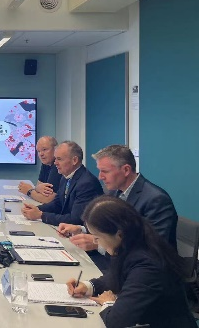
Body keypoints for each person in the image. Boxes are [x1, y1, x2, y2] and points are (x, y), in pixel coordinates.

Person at [66, 196, 195, 328]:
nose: (95, 242)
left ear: (119, 234)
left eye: (97, 237)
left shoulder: (147, 264)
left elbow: (117, 321)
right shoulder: (132, 244)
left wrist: (108, 303)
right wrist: (89, 286)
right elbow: (117, 276)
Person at [59, 145, 178, 253]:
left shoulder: (156, 199)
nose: (100, 177)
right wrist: (82, 230)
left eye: (105, 171)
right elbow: (109, 228)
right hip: (117, 260)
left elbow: (152, 247)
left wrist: (98, 244)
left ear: (126, 170)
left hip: (144, 266)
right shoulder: (113, 191)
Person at [21, 141, 103, 226]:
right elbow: (58, 204)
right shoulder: (66, 177)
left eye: (59, 159)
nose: (55, 163)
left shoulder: (86, 183)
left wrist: (41, 215)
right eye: (55, 159)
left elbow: (76, 220)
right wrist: (36, 209)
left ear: (74, 160)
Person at [18, 136, 62, 204]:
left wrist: (29, 191)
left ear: (55, 149)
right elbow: (39, 185)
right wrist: (37, 188)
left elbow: (48, 199)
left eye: (44, 149)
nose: (41, 154)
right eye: (38, 151)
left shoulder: (57, 166)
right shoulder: (46, 163)